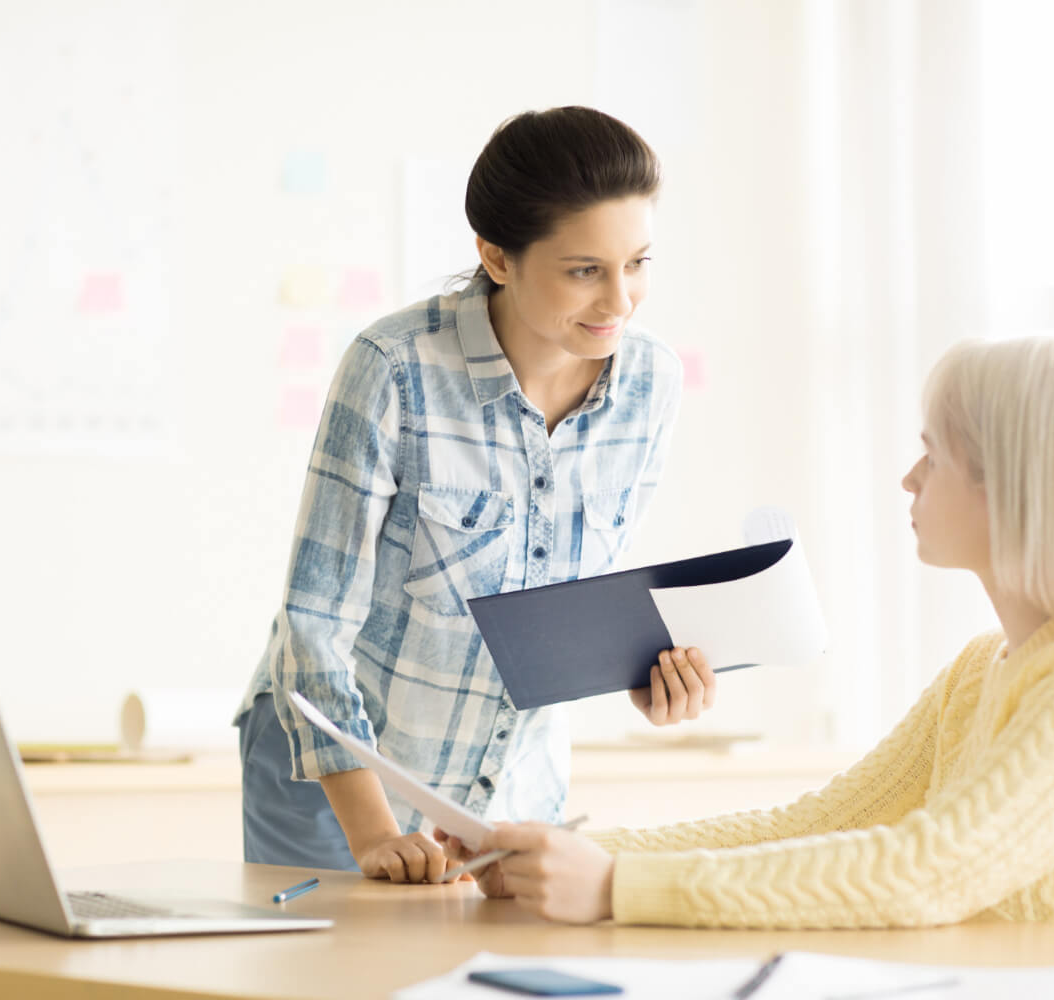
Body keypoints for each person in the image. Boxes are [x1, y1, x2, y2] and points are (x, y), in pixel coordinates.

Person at [439, 335, 1054, 930]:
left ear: (1011, 488)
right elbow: (816, 826)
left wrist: (615, 887)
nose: (909, 479)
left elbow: (929, 870)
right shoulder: (983, 669)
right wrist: (565, 857)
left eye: (933, 456)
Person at [235, 106, 717, 884]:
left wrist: (642, 674)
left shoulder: (650, 381)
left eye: (637, 263)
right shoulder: (394, 368)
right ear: (496, 256)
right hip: (339, 782)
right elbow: (312, 625)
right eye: (585, 270)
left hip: (511, 784)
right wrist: (373, 833)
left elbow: (575, 592)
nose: (620, 301)